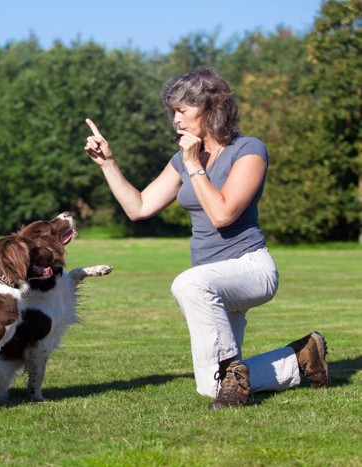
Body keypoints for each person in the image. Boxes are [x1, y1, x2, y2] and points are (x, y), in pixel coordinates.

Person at [83, 66, 330, 409]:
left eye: (182, 110)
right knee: (210, 388)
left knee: (188, 284)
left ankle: (235, 378)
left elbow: (223, 213)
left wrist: (194, 165)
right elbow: (139, 208)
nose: (176, 120)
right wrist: (108, 164)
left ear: (211, 107)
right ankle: (301, 358)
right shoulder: (182, 160)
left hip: (249, 268)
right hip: (211, 282)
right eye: (173, 112)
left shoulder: (248, 150)